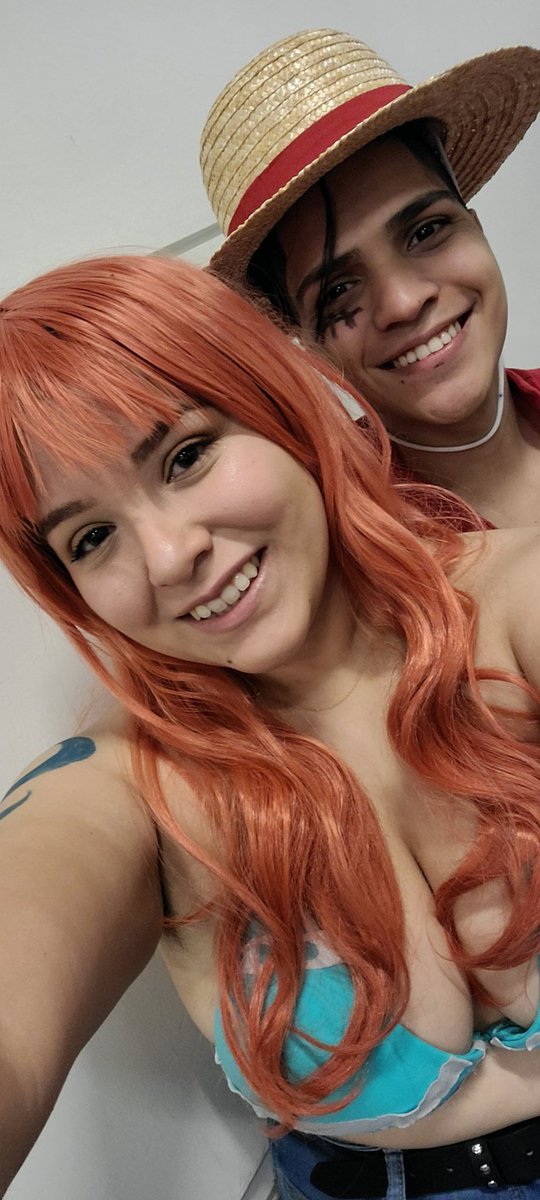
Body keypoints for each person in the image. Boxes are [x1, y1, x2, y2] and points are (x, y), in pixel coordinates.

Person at [3, 254, 540, 1200]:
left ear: (279, 405)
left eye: (184, 456)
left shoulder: (516, 600)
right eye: (92, 537)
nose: (171, 556)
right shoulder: (131, 786)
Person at [200, 29, 540, 529]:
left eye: (426, 231)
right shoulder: (336, 550)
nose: (403, 302)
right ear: (307, 345)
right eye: (338, 290)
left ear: (477, 228)